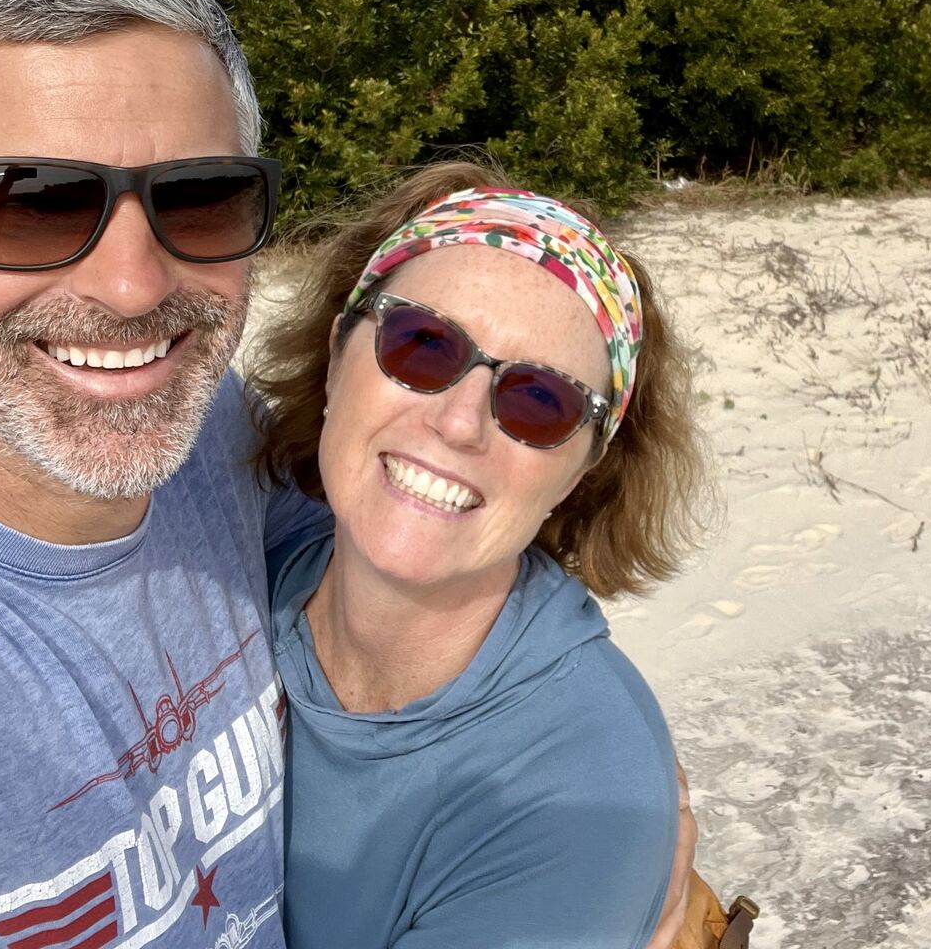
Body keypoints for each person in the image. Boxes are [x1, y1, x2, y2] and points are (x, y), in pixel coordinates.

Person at [0, 0, 693, 949]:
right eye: (31, 204)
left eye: (196, 197)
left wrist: (610, 810)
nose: (133, 286)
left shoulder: (206, 440)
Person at [246, 165, 711, 948]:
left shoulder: (581, 792)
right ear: (337, 353)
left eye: (540, 400)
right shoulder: (233, 556)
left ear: (586, 464)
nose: (461, 423)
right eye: (422, 345)